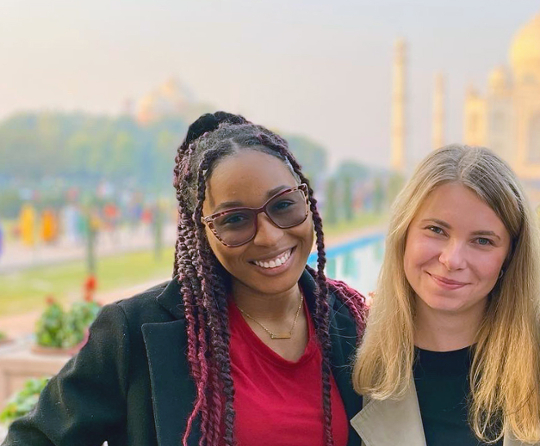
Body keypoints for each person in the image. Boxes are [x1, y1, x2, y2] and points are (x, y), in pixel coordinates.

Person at [4, 112, 368, 446]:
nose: (270, 236)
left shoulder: (348, 322)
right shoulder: (135, 332)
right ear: (201, 231)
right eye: (235, 219)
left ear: (306, 200)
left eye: (283, 204)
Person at [351, 145, 540, 446]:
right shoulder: (349, 354)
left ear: (510, 256)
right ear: (404, 233)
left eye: (482, 240)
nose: (453, 259)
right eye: (436, 230)